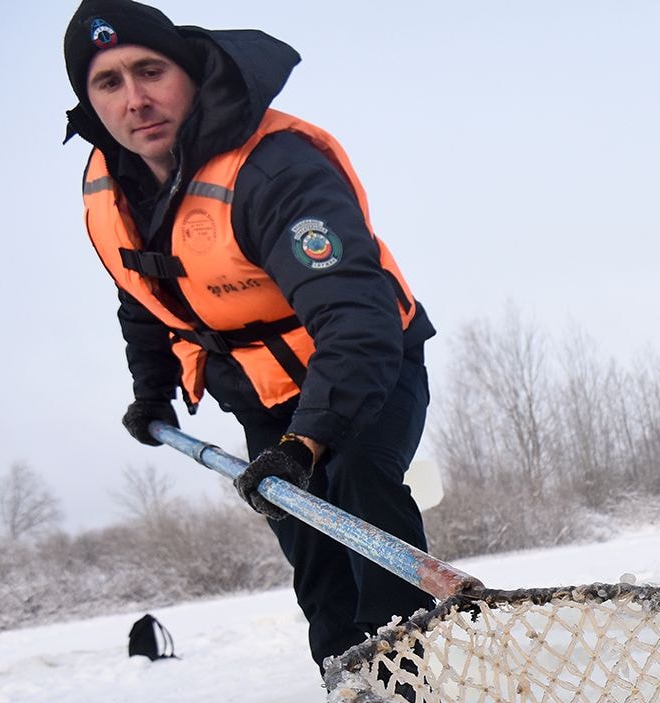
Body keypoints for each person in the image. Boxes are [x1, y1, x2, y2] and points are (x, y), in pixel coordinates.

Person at [63, 0, 436, 666]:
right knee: (313, 558)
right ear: (90, 102)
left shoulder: (274, 169)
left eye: (150, 71)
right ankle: (355, 702)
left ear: (189, 72)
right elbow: (143, 294)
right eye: (109, 82)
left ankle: (416, 684)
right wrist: (152, 392)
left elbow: (355, 316)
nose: (135, 100)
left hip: (365, 370)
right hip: (262, 395)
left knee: (358, 484)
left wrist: (306, 442)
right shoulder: (114, 188)